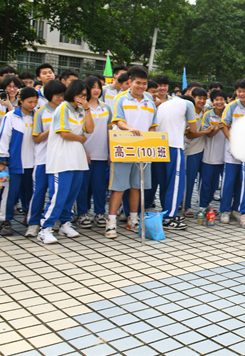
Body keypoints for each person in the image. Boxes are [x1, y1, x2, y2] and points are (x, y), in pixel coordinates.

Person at [39, 81, 94, 244]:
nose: (82, 98)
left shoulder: (81, 111)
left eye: (85, 96)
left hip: (76, 158)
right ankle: (45, 228)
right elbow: (64, 133)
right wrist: (81, 138)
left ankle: (65, 223)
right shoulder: (63, 108)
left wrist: (87, 109)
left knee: (72, 193)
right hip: (61, 157)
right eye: (80, 95)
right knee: (59, 194)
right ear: (72, 93)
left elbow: (90, 129)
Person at [108, 67, 158, 235]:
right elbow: (118, 121)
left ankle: (133, 219)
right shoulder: (121, 98)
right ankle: (111, 222)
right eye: (138, 83)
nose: (141, 87)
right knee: (119, 187)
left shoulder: (150, 101)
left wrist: (150, 140)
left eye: (144, 84)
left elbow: (153, 126)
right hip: (124, 147)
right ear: (130, 82)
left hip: (143, 150)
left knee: (138, 186)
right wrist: (131, 129)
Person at [0, 87, 38, 236]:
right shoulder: (11, 116)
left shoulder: (37, 116)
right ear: (21, 100)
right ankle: (5, 221)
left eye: (35, 102)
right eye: (30, 102)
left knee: (30, 192)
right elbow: (4, 138)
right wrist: (3, 160)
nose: (32, 105)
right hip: (14, 164)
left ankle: (29, 216)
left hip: (33, 163)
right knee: (9, 192)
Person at [26, 81, 67, 238]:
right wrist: (52, 129)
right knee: (39, 192)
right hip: (42, 159)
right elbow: (36, 138)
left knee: (57, 193)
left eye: (63, 95)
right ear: (49, 95)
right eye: (58, 95)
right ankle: (33, 223)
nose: (60, 98)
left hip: (60, 159)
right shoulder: (40, 112)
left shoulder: (66, 110)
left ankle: (54, 221)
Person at [155, 94, 197, 229]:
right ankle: (169, 218)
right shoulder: (188, 104)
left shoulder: (163, 104)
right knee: (175, 183)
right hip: (174, 145)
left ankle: (165, 212)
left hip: (159, 146)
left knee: (164, 182)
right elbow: (194, 129)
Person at [75, 77, 112, 231]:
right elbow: (76, 130)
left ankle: (99, 213)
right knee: (83, 186)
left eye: (99, 87)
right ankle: (82, 214)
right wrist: (82, 150)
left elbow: (110, 130)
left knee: (99, 186)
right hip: (85, 153)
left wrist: (110, 152)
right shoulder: (79, 108)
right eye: (93, 87)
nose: (97, 90)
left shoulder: (106, 107)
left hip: (102, 153)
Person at [218, 79, 245, 224]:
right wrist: (233, 142)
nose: (242, 94)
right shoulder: (232, 106)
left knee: (242, 182)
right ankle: (225, 211)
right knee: (229, 182)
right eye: (239, 91)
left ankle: (236, 209)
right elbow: (223, 125)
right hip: (232, 152)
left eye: (244, 91)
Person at [199, 89, 227, 211]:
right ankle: (203, 206)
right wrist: (218, 128)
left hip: (225, 156)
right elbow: (208, 134)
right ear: (212, 101)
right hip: (209, 156)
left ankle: (225, 208)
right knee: (206, 183)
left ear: (225, 100)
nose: (219, 102)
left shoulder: (228, 113)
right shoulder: (208, 115)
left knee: (220, 184)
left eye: (221, 99)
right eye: (216, 100)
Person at [182, 88, 208, 216]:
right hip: (191, 151)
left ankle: (204, 205)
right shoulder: (188, 113)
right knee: (189, 181)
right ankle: (186, 206)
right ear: (193, 98)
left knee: (204, 181)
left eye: (204, 98)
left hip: (204, 151)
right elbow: (189, 135)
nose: (202, 101)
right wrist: (205, 132)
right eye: (199, 98)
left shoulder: (206, 112)